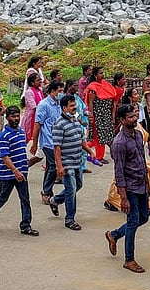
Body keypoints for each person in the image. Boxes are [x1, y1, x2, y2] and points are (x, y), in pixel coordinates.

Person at [104, 104, 150, 273]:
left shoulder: (138, 135)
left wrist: (146, 181)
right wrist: (122, 197)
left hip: (141, 185)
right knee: (132, 222)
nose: (134, 119)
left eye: (134, 115)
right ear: (122, 120)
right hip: (129, 188)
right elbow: (119, 172)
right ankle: (129, 259)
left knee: (143, 218)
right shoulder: (119, 142)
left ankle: (114, 235)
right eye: (130, 117)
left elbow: (142, 159)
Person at [0, 106, 39, 236]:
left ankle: (25, 225)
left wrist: (24, 167)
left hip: (21, 172)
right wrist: (15, 171)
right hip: (8, 174)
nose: (16, 118)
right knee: (2, 197)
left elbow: (21, 151)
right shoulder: (4, 135)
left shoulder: (21, 132)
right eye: (13, 116)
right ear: (7, 118)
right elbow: (4, 156)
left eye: (18, 116)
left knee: (25, 199)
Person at [49, 94, 98, 230]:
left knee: (79, 185)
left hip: (77, 161)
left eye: (74, 104)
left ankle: (55, 200)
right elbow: (57, 147)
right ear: (64, 108)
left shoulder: (75, 120)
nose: (74, 107)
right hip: (67, 162)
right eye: (71, 105)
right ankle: (70, 219)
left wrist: (90, 151)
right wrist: (59, 166)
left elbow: (81, 140)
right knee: (71, 190)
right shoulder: (59, 124)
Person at [31, 80, 63, 204]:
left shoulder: (60, 103)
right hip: (48, 141)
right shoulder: (43, 105)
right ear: (52, 91)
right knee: (53, 166)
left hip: (58, 140)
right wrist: (34, 143)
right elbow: (37, 124)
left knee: (51, 166)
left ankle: (47, 190)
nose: (61, 93)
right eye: (59, 91)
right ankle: (46, 191)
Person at [84, 67, 116, 164]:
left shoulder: (105, 84)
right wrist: (91, 116)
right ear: (95, 75)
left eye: (103, 72)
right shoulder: (93, 87)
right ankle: (99, 156)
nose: (103, 75)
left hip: (106, 114)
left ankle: (81, 148)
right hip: (98, 115)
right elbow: (90, 102)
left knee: (104, 135)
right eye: (100, 73)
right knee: (99, 137)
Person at [21, 74, 44, 146]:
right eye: (38, 80)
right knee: (26, 136)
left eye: (40, 79)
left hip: (38, 116)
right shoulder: (29, 92)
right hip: (31, 117)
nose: (40, 81)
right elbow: (34, 107)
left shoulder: (40, 90)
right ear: (32, 83)